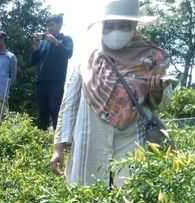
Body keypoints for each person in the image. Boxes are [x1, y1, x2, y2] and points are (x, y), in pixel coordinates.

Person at [51, 0, 172, 187]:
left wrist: (156, 92)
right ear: (102, 26)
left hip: (133, 141)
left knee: (132, 201)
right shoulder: (87, 62)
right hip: (90, 142)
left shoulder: (151, 59)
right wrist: (58, 148)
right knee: (87, 199)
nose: (115, 31)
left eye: (123, 25)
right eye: (110, 25)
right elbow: (69, 105)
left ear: (134, 25)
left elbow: (163, 103)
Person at [30, 15, 74, 130]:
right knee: (42, 111)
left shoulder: (66, 39)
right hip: (41, 81)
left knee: (55, 110)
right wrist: (35, 47)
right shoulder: (43, 43)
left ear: (60, 25)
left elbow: (68, 53)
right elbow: (32, 61)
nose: (49, 28)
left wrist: (56, 42)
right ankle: (42, 140)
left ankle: (57, 139)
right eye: (48, 26)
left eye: (52, 25)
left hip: (56, 81)